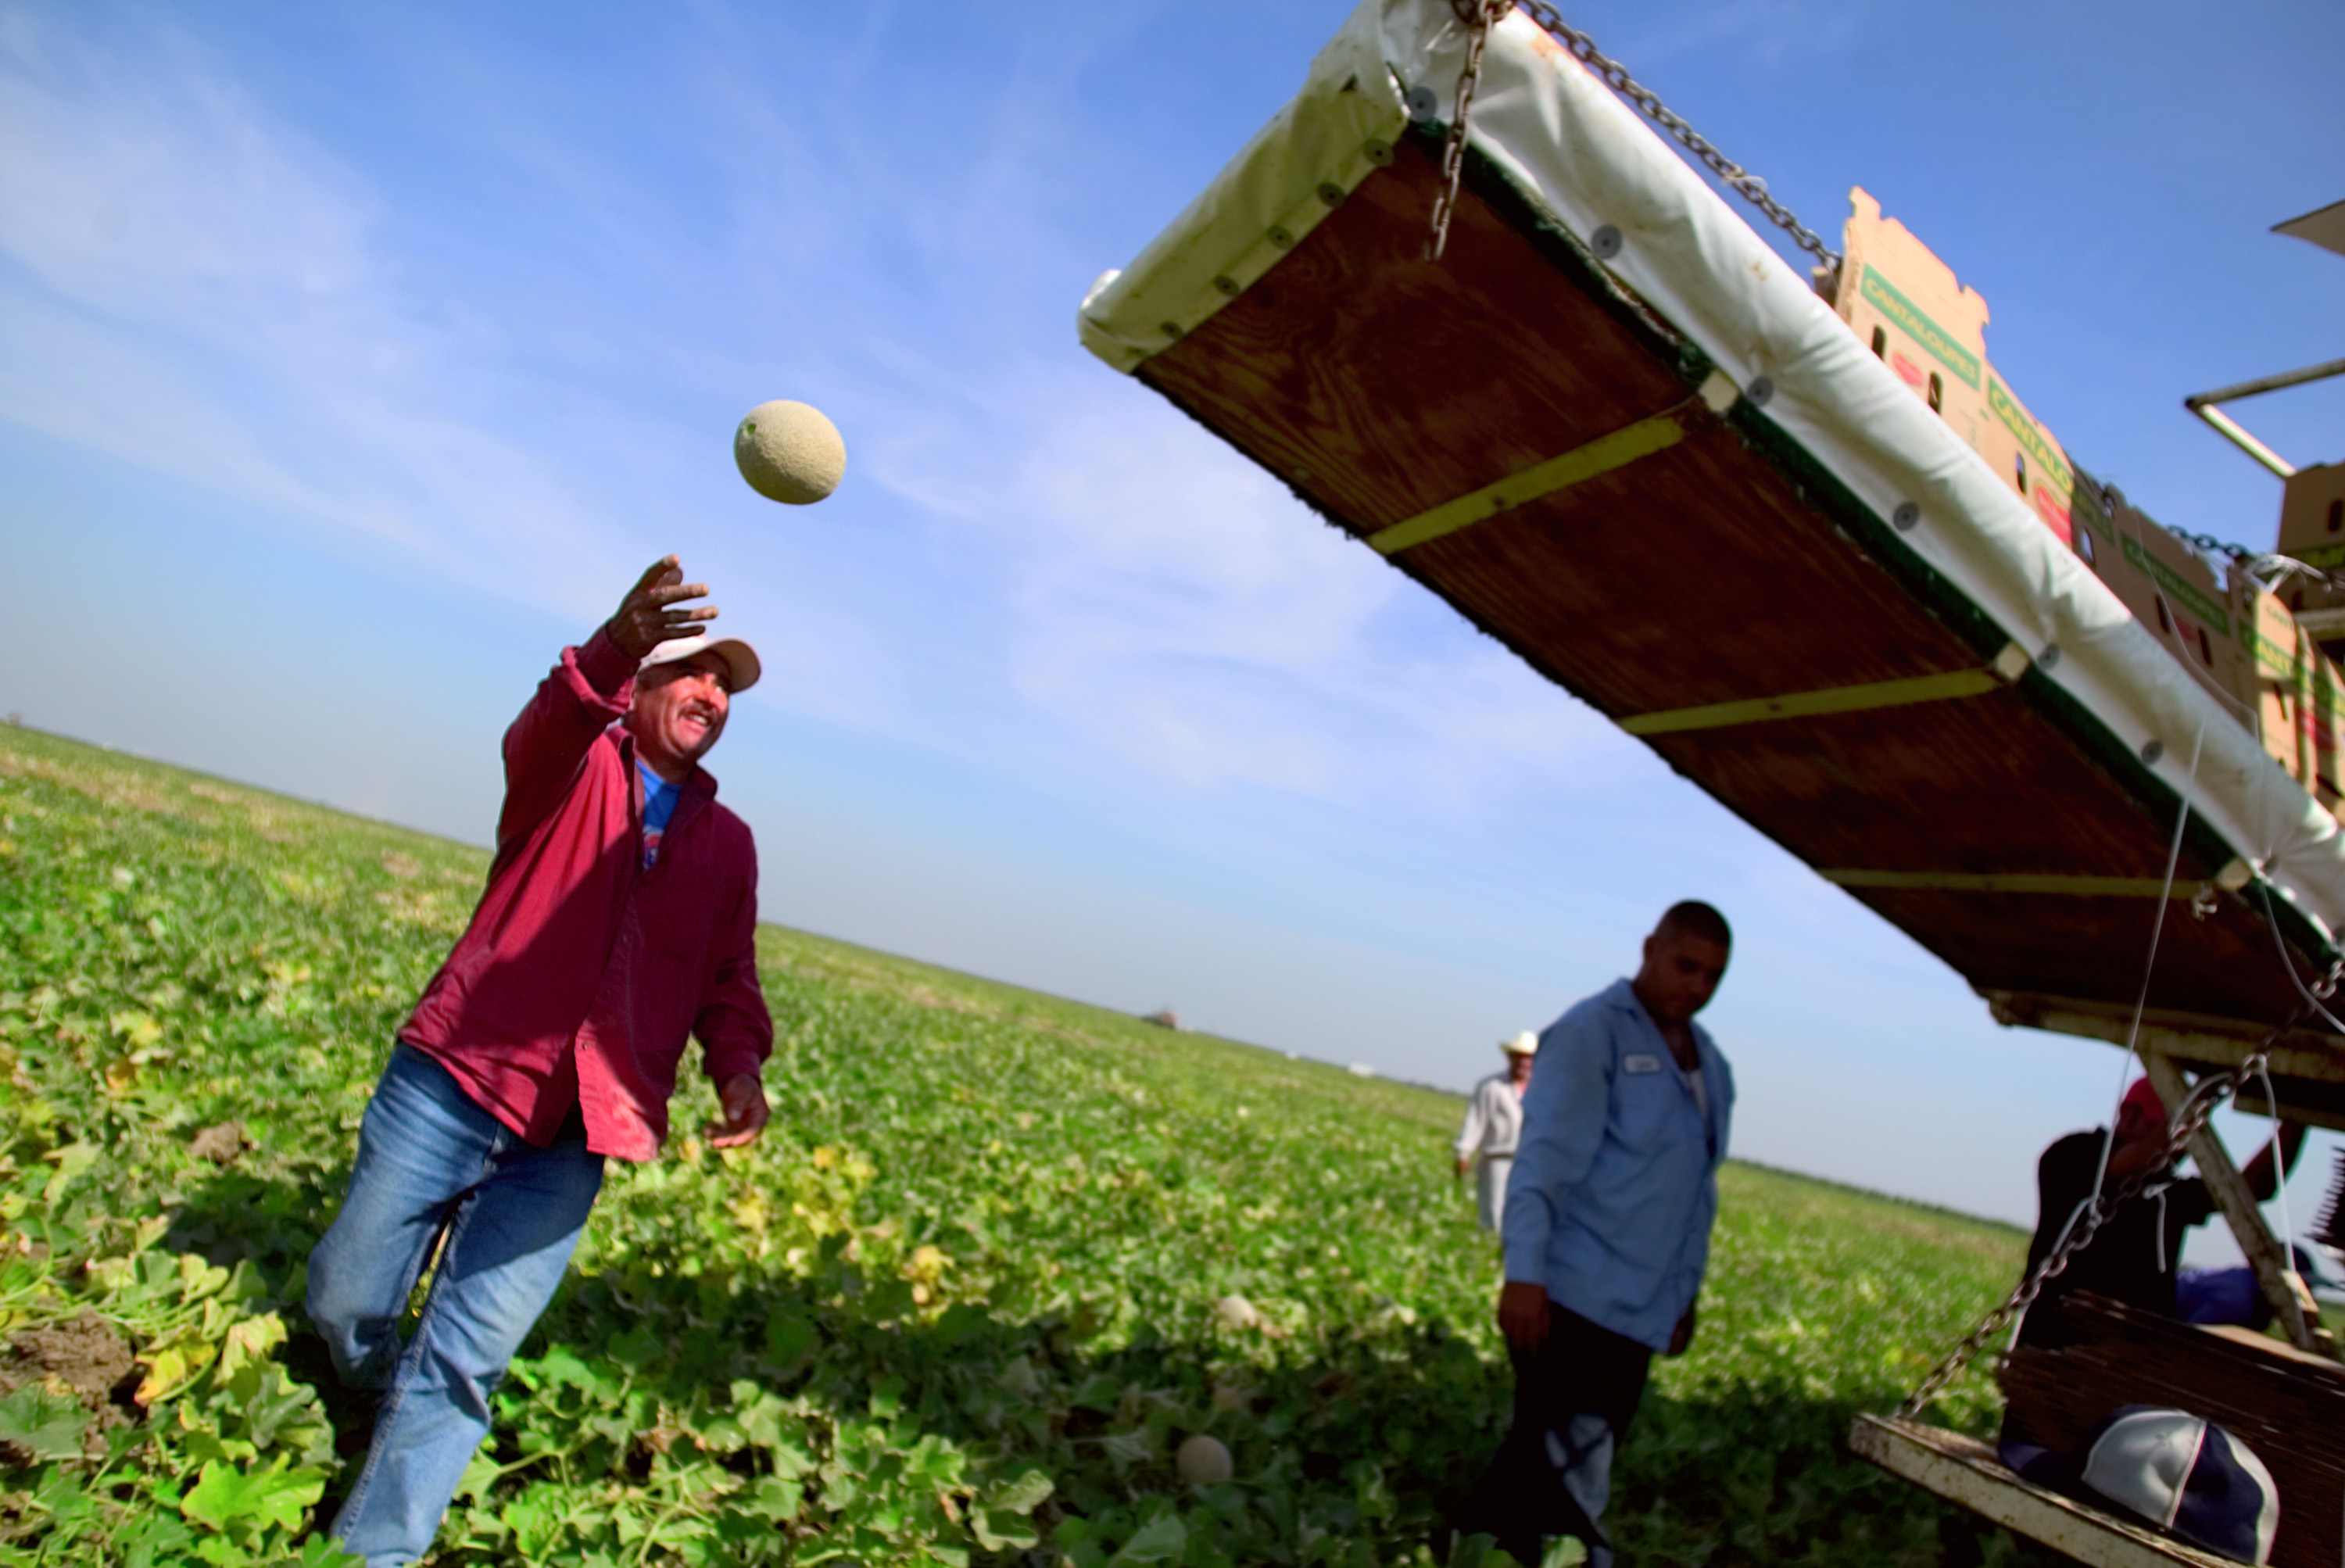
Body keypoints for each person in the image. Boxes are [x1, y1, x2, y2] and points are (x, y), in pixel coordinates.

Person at [306, 557, 776, 1567]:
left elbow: (727, 976)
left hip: (571, 1137)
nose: (711, 695)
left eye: (726, 686)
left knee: (468, 1361)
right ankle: (370, 1393)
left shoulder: (727, 845)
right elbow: (546, 720)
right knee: (347, 1299)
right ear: (643, 684)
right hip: (454, 1083)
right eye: (693, 670)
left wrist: (738, 1063)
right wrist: (612, 637)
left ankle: (371, 1549)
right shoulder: (570, 764)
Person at [1460, 902, 1735, 1568]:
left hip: (1640, 1307)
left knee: (1542, 1459)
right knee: (1575, 1480)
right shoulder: (1592, 1034)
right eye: (1685, 965)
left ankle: (1473, 1545)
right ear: (1649, 950)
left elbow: (1695, 1195)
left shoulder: (1712, 1067)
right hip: (1571, 1297)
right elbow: (1542, 1164)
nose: (1695, 986)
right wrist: (1523, 1275)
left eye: (1712, 976)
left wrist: (1682, 1297)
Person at [2010, 1076, 2304, 1351]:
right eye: (2170, 1127)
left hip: (2129, 1356)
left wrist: (2295, 1122)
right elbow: (2142, 1159)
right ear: (2130, 1115)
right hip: (2053, 1342)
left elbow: (2252, 1189)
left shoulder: (2167, 1192)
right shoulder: (2073, 1154)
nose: (2186, 1145)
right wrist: (2207, 1088)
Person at [1454, 1033, 1538, 1232]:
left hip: (1531, 1162)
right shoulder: (1492, 1087)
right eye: (1519, 1056)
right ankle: (1488, 1255)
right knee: (1494, 1216)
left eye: (1528, 1057)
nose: (1524, 1062)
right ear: (1510, 1057)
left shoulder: (1543, 1088)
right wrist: (1463, 1152)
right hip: (1498, 1159)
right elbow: (1476, 1120)